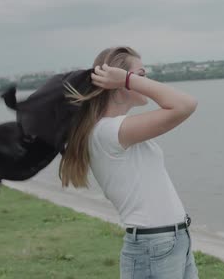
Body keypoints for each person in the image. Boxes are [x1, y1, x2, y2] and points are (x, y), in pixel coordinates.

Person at [58, 46, 199, 278]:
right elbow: (186, 104)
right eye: (141, 74)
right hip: (154, 244)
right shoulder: (108, 131)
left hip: (170, 240)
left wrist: (127, 79)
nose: (144, 81)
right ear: (117, 84)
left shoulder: (116, 129)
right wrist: (127, 79)